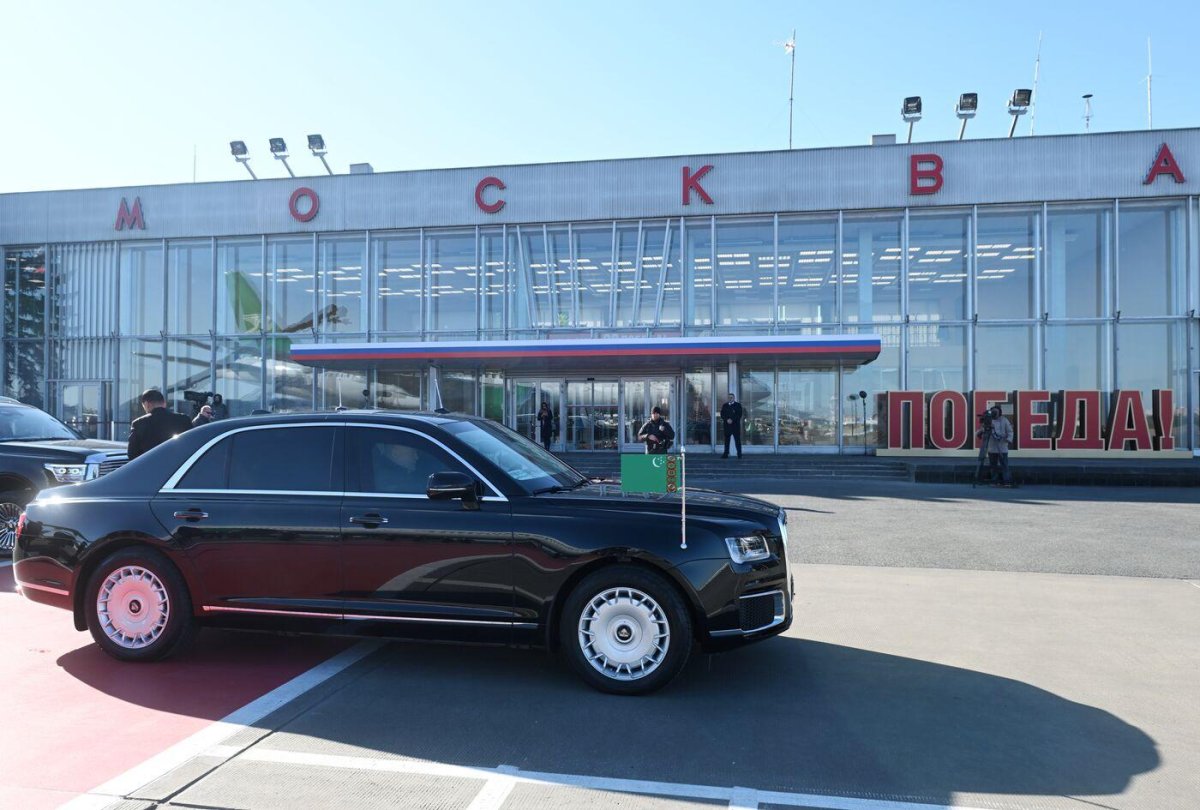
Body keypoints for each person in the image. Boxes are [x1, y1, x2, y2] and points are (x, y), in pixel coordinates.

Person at [128, 389, 193, 460]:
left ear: (146, 404)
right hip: (181, 464)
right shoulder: (184, 419)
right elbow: (192, 445)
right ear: (164, 403)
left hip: (151, 465)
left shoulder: (138, 424)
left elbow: (132, 454)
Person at [977, 404, 1014, 487]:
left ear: (999, 413)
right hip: (992, 447)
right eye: (993, 412)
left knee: (1004, 465)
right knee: (993, 466)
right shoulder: (988, 420)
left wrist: (1008, 440)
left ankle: (1007, 481)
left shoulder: (1004, 420)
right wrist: (982, 431)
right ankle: (994, 481)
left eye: (995, 412)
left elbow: (1010, 431)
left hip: (1002, 447)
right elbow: (980, 432)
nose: (994, 414)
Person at [719, 392, 743, 459]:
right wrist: (727, 419)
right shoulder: (725, 405)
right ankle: (725, 454)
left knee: (737, 441)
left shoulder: (738, 405)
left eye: (731, 397)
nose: (730, 398)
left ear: (734, 398)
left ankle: (739, 454)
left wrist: (732, 419)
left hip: (735, 426)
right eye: (729, 397)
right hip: (727, 426)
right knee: (727, 441)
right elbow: (722, 414)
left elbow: (739, 414)